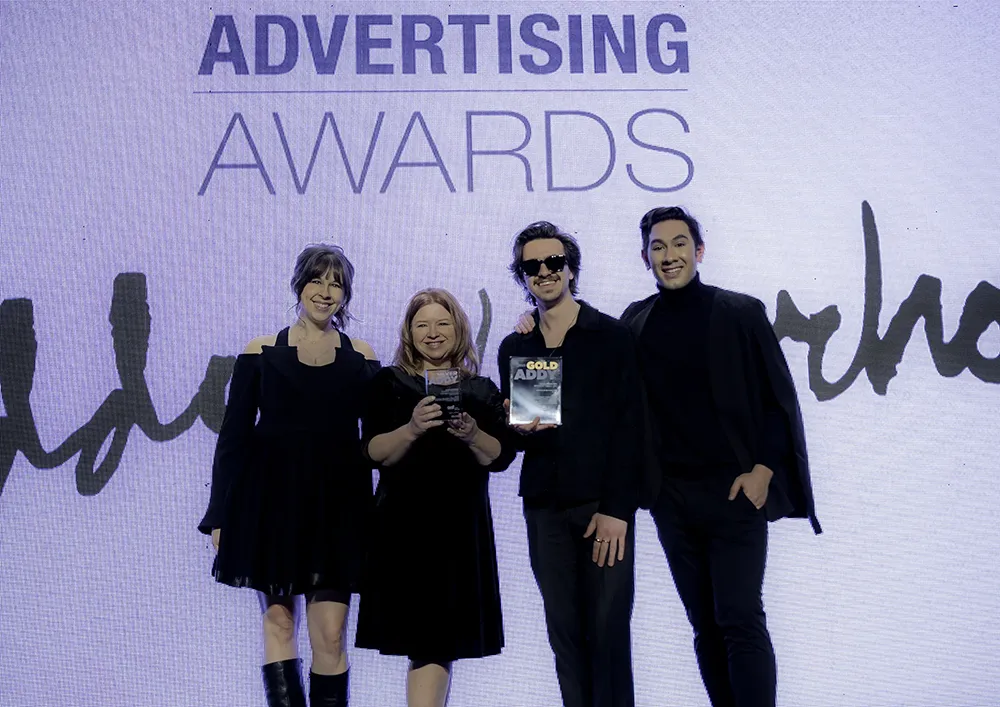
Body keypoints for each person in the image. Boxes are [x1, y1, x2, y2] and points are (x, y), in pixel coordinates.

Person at [622, 206, 822, 707]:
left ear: (699, 250)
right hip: (673, 499)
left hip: (735, 493)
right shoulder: (634, 322)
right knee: (704, 626)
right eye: (658, 247)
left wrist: (761, 472)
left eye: (680, 243)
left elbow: (779, 402)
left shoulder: (739, 311)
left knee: (739, 617)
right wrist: (532, 321)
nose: (670, 256)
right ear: (645, 258)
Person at [198, 244, 379, 707]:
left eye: (335, 282)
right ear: (298, 286)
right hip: (271, 506)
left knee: (332, 636)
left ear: (346, 293)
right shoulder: (260, 352)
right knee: (279, 624)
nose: (325, 291)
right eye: (316, 280)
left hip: (339, 510)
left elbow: (377, 443)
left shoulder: (362, 357)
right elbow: (233, 441)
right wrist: (220, 516)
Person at [497, 222, 645, 707]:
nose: (544, 272)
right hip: (544, 508)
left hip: (603, 506)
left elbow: (631, 428)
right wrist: (513, 429)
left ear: (571, 268)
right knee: (564, 635)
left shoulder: (611, 336)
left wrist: (619, 510)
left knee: (607, 635)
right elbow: (515, 439)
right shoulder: (515, 346)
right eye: (532, 266)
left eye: (553, 262)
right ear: (522, 276)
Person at [356, 288, 516, 707]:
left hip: (460, 532)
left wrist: (472, 434)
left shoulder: (480, 390)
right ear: (409, 332)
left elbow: (499, 457)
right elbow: (372, 451)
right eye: (422, 324)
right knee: (427, 645)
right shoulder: (389, 383)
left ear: (459, 329)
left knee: (439, 645)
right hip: (403, 529)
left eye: (442, 323)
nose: (432, 333)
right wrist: (411, 429)